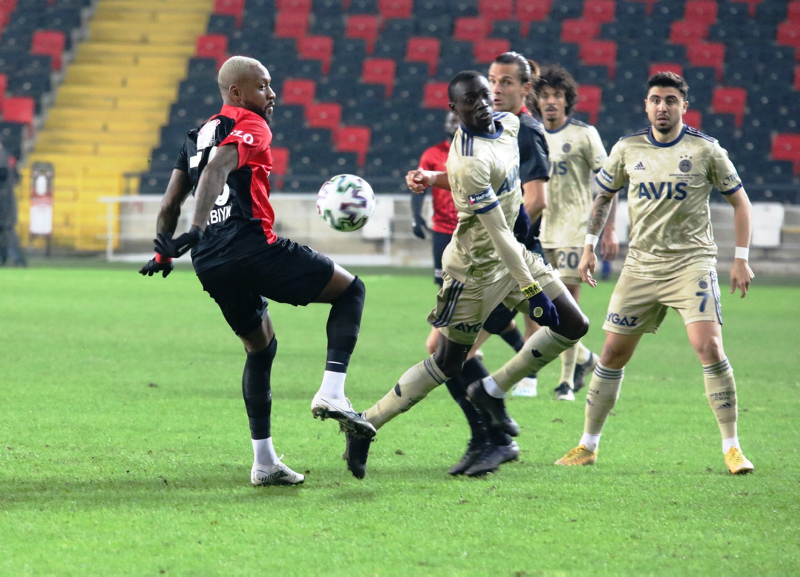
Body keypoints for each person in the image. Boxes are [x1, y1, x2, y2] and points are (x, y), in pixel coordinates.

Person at [139, 55, 376, 487]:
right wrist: (195, 227)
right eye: (264, 86)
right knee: (350, 291)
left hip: (209, 261)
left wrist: (163, 252)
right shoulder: (251, 124)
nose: (272, 94)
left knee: (260, 347)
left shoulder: (194, 137)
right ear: (237, 92)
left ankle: (264, 463)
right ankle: (333, 392)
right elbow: (217, 169)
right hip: (250, 246)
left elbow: (169, 202)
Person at [343, 71, 589, 480]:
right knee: (447, 360)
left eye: (485, 94)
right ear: (454, 109)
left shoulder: (509, 125)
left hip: (514, 257)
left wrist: (431, 178)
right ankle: (366, 424)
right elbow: (497, 232)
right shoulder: (468, 162)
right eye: (469, 100)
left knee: (574, 324)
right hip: (474, 270)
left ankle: (491, 389)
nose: (482, 104)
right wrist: (532, 290)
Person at [555, 71, 755, 475]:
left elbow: (741, 202)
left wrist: (741, 258)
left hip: (691, 264)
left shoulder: (706, 150)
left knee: (709, 347)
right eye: (656, 100)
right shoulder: (627, 148)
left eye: (670, 100)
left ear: (684, 106)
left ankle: (732, 448)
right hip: (641, 266)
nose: (662, 107)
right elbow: (603, 197)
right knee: (612, 353)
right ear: (646, 106)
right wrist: (589, 247)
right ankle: (587, 445)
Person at [533, 64, 617, 401]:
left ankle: (566, 382)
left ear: (568, 100)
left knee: (567, 306)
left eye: (557, 95)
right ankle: (585, 359)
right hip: (540, 232)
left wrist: (607, 230)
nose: (551, 101)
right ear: (537, 101)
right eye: (545, 95)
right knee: (542, 307)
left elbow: (609, 184)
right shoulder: (531, 133)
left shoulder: (585, 134)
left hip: (574, 230)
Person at [410, 111, 460, 354]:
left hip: (470, 229)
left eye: (458, 119)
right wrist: (416, 216)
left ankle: (456, 335)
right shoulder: (432, 154)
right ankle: (454, 334)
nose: (454, 124)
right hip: (442, 229)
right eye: (451, 119)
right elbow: (418, 184)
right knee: (443, 284)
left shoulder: (475, 152)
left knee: (468, 286)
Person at [0, 144, 25, 267]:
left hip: (4, 200)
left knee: (7, 229)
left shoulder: (2, 155)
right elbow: (16, 178)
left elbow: (2, 173)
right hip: (6, 198)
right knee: (6, 230)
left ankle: (16, 258)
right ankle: (7, 257)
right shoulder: (7, 155)